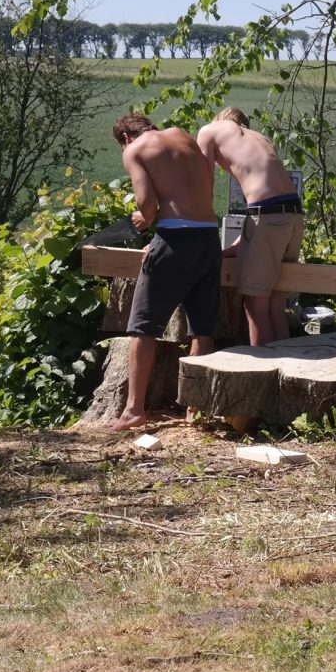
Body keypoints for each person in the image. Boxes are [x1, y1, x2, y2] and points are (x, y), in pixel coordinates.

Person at [109, 111, 220, 432]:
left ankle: (133, 411)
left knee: (142, 328)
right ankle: (197, 410)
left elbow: (146, 207)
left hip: (175, 241)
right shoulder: (183, 136)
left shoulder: (135, 149)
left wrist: (145, 223)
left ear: (126, 139)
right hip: (208, 238)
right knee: (202, 328)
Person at [195, 106, 304, 345]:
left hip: (268, 218)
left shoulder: (209, 131)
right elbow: (267, 194)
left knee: (255, 305)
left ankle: (263, 373)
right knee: (275, 304)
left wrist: (200, 240)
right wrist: (240, 242)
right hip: (294, 217)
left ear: (218, 120)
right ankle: (284, 372)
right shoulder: (260, 139)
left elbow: (204, 189)